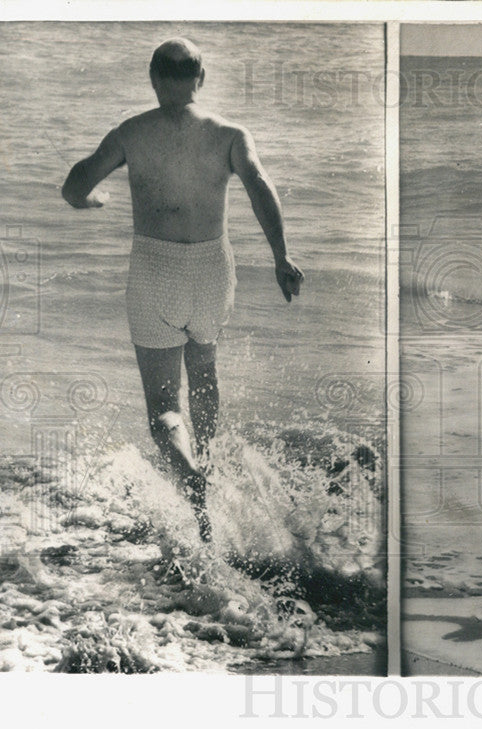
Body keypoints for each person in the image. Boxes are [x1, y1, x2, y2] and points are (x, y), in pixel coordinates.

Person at [62, 38, 303, 541]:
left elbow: (75, 184)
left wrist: (89, 202)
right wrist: (281, 257)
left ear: (153, 78)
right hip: (212, 268)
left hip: (154, 268)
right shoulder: (230, 134)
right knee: (205, 369)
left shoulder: (132, 133)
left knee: (163, 408)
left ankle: (188, 475)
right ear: (202, 78)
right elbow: (260, 186)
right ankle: (209, 467)